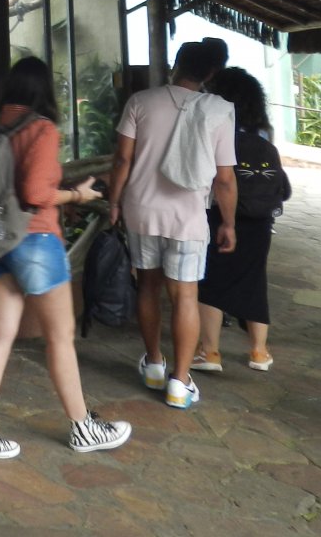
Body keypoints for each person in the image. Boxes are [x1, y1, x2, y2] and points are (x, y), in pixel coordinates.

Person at [0, 57, 133, 463]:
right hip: (35, 239)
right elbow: (37, 193)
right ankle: (83, 428)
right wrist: (78, 196)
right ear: (43, 91)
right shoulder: (41, 129)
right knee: (60, 336)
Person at [109, 39, 238, 409]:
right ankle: (179, 383)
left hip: (142, 210)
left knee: (147, 287)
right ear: (211, 73)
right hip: (188, 216)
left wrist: (114, 202)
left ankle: (153, 364)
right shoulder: (218, 110)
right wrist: (228, 222)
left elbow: (122, 160)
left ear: (176, 63)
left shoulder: (140, 101)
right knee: (185, 297)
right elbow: (225, 178)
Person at [192, 67, 291, 375]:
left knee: (210, 281)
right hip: (261, 219)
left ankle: (210, 352)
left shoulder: (216, 127)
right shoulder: (263, 132)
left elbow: (221, 179)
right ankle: (259, 352)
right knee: (254, 280)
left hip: (222, 215)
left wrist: (226, 220)